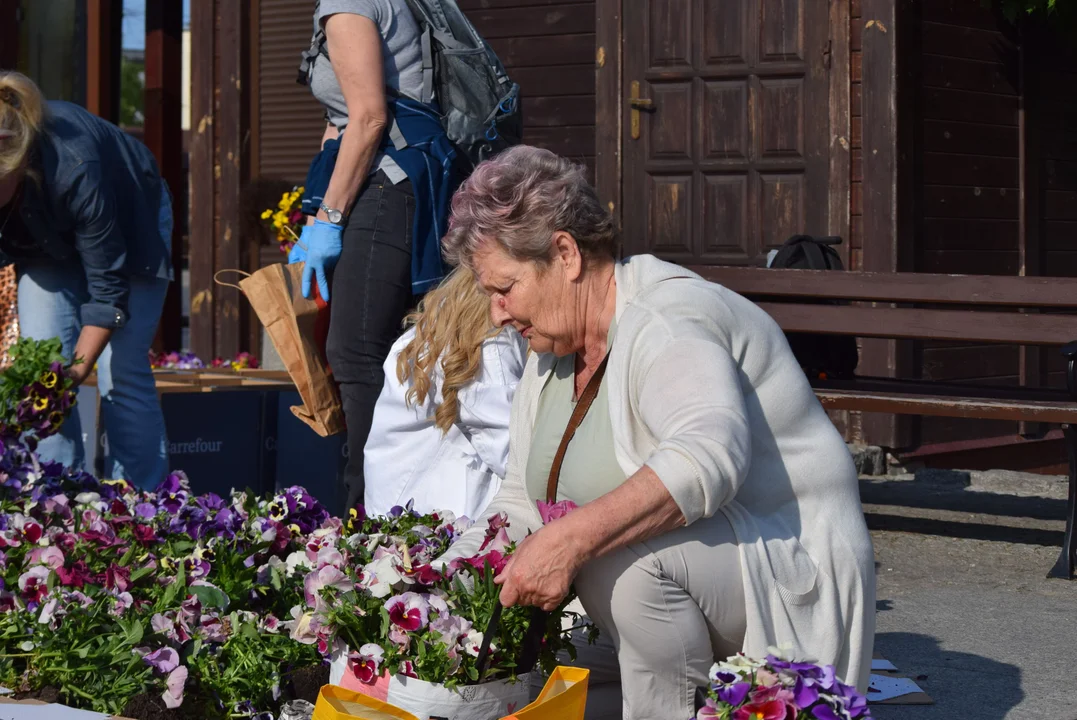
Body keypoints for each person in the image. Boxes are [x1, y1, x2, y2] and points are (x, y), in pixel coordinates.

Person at [438, 146, 876, 718]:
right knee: (536, 673)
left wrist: (570, 540)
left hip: (786, 573)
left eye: (505, 288)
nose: (496, 313)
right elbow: (522, 496)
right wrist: (452, 574)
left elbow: (706, 458)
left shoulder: (667, 319)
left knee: (612, 562)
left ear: (565, 254)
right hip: (693, 583)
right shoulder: (551, 349)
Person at [294, 0, 456, 511]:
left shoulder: (348, 3)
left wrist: (331, 219)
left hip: (389, 182)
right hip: (396, 177)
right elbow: (340, 120)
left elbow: (367, 119)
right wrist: (319, 203)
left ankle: (367, 517)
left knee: (357, 351)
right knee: (390, 347)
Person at [0, 72, 171, 489]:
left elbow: (109, 294)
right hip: (44, 245)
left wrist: (71, 378)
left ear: (15, 164)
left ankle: (143, 505)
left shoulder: (75, 165)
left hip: (131, 226)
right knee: (41, 371)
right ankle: (55, 498)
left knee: (120, 368)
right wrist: (50, 384)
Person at [363, 267, 527, 519]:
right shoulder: (489, 344)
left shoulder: (461, 320)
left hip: (411, 511)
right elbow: (517, 459)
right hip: (422, 528)